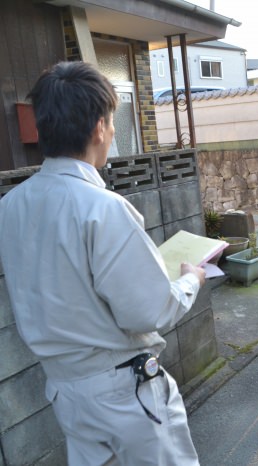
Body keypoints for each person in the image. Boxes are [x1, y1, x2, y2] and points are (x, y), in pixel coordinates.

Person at [0, 61, 206, 464]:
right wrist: (190, 280)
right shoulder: (103, 208)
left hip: (65, 389)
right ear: (99, 127)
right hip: (124, 391)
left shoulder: (10, 206)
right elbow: (147, 311)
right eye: (111, 123)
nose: (112, 133)